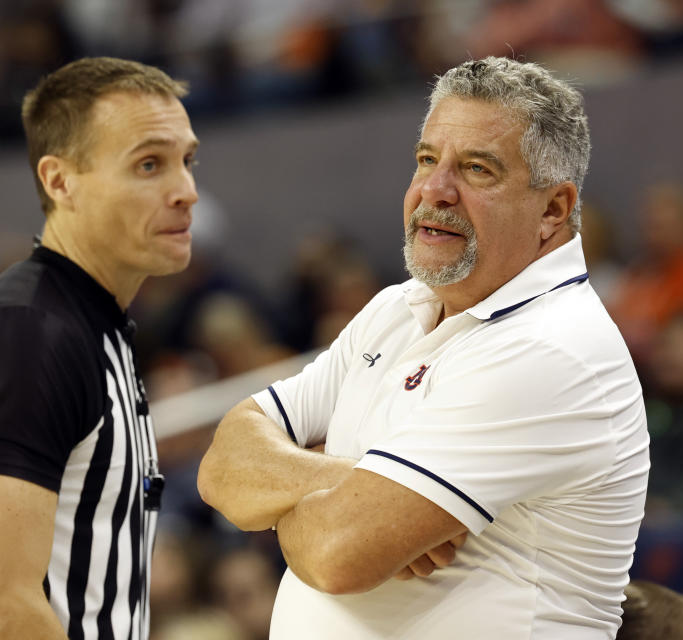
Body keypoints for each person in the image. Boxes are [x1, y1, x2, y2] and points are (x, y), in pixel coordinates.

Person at [198, 56, 650, 638]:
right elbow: (223, 465)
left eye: (478, 170)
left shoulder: (553, 348)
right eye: (427, 159)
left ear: (553, 210)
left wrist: (304, 500)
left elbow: (335, 553)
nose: (436, 190)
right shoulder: (396, 308)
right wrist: (359, 482)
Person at [0, 57, 199, 640]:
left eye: (187, 161)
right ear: (59, 181)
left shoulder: (91, 326)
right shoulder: (25, 331)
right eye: (149, 164)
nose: (186, 191)